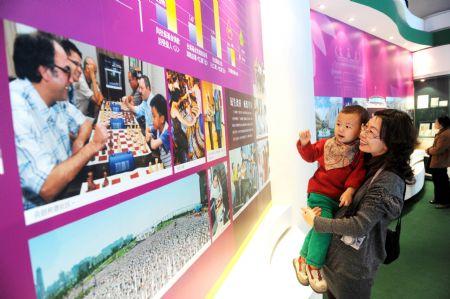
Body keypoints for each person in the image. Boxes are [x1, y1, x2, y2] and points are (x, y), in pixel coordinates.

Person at [301, 109, 416, 299]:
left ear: (391, 141)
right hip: (336, 259)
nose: (362, 134)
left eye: (371, 132)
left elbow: (360, 225)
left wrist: (317, 222)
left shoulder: (388, 181)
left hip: (351, 268)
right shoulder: (370, 161)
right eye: (365, 127)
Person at [10, 33, 108, 209]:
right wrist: (93, 146)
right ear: (46, 72)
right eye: (66, 70)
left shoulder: (56, 99)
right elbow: (47, 187)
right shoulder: (14, 108)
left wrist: (79, 144)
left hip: (65, 189)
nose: (71, 79)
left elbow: (84, 122)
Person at [293, 105, 369, 293]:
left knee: (318, 228)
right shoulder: (327, 144)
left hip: (336, 198)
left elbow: (358, 174)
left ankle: (301, 259)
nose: (341, 129)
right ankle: (314, 266)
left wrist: (350, 190)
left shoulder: (358, 153)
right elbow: (310, 155)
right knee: (324, 227)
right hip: (319, 193)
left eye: (348, 126)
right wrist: (304, 144)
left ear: (361, 130)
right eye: (338, 124)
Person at [59, 39, 93, 154]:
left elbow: (85, 124)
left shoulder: (68, 88)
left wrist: (79, 142)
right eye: (76, 64)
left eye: (80, 65)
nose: (80, 70)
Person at [426, 115, 450, 208]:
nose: (435, 123)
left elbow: (438, 149)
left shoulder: (445, 134)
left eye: (436, 122)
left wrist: (428, 150)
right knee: (437, 181)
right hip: (438, 162)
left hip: (440, 162)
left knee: (442, 182)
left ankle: (445, 202)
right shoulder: (443, 132)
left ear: (441, 124)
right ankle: (438, 199)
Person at [148, 94, 171, 169]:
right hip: (163, 164)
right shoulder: (158, 127)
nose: (152, 120)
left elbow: (153, 145)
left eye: (154, 116)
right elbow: (147, 129)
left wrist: (150, 136)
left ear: (162, 119)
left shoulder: (168, 132)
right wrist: (149, 132)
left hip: (170, 170)